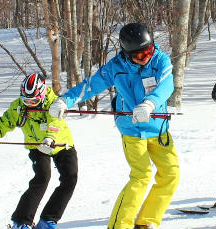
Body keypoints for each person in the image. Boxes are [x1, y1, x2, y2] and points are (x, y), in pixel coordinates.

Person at [48, 22, 179, 229]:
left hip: (158, 127)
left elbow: (166, 84)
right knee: (142, 175)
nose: (145, 58)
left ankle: (146, 221)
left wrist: (149, 103)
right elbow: (90, 86)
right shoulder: (116, 67)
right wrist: (65, 100)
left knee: (171, 175)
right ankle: (119, 225)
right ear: (127, 53)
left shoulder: (160, 59)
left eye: (148, 51)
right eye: (139, 55)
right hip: (132, 129)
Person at [0, 73, 77, 229]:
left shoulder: (53, 102)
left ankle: (48, 220)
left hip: (60, 144)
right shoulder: (18, 108)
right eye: (26, 100)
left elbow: (55, 124)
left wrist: (50, 139)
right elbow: (0, 127)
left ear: (42, 95)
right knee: (42, 178)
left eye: (33, 101)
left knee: (70, 179)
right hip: (36, 145)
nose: (29, 104)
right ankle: (21, 221)